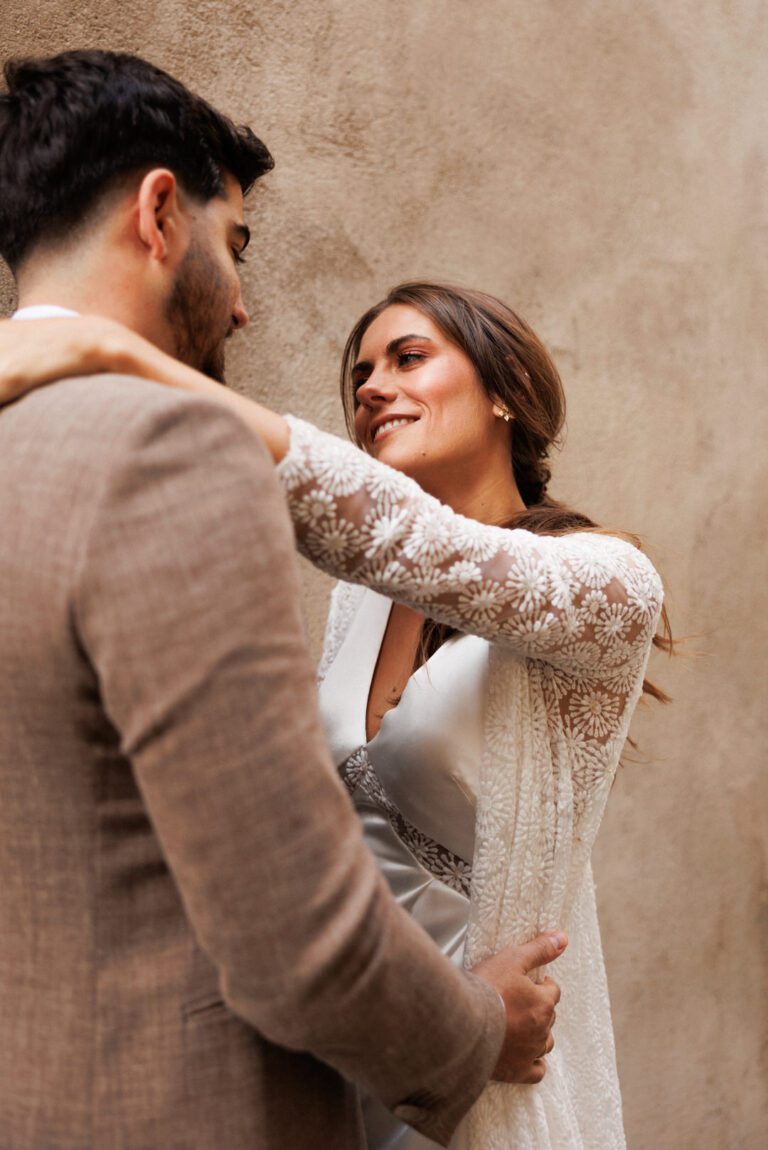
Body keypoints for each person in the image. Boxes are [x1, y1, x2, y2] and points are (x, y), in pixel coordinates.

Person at [0, 51, 571, 1150]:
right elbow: (296, 935)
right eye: (238, 243)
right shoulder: (169, 449)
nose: (247, 303)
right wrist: (477, 1024)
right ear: (160, 212)